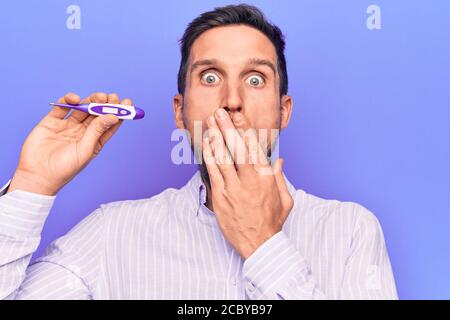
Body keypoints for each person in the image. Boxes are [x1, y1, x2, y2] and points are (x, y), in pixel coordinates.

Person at [0, 4, 397, 299]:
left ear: (283, 111)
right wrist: (32, 185)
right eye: (210, 77)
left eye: (256, 79)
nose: (232, 100)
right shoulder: (112, 234)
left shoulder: (350, 232)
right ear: (180, 111)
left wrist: (264, 245)